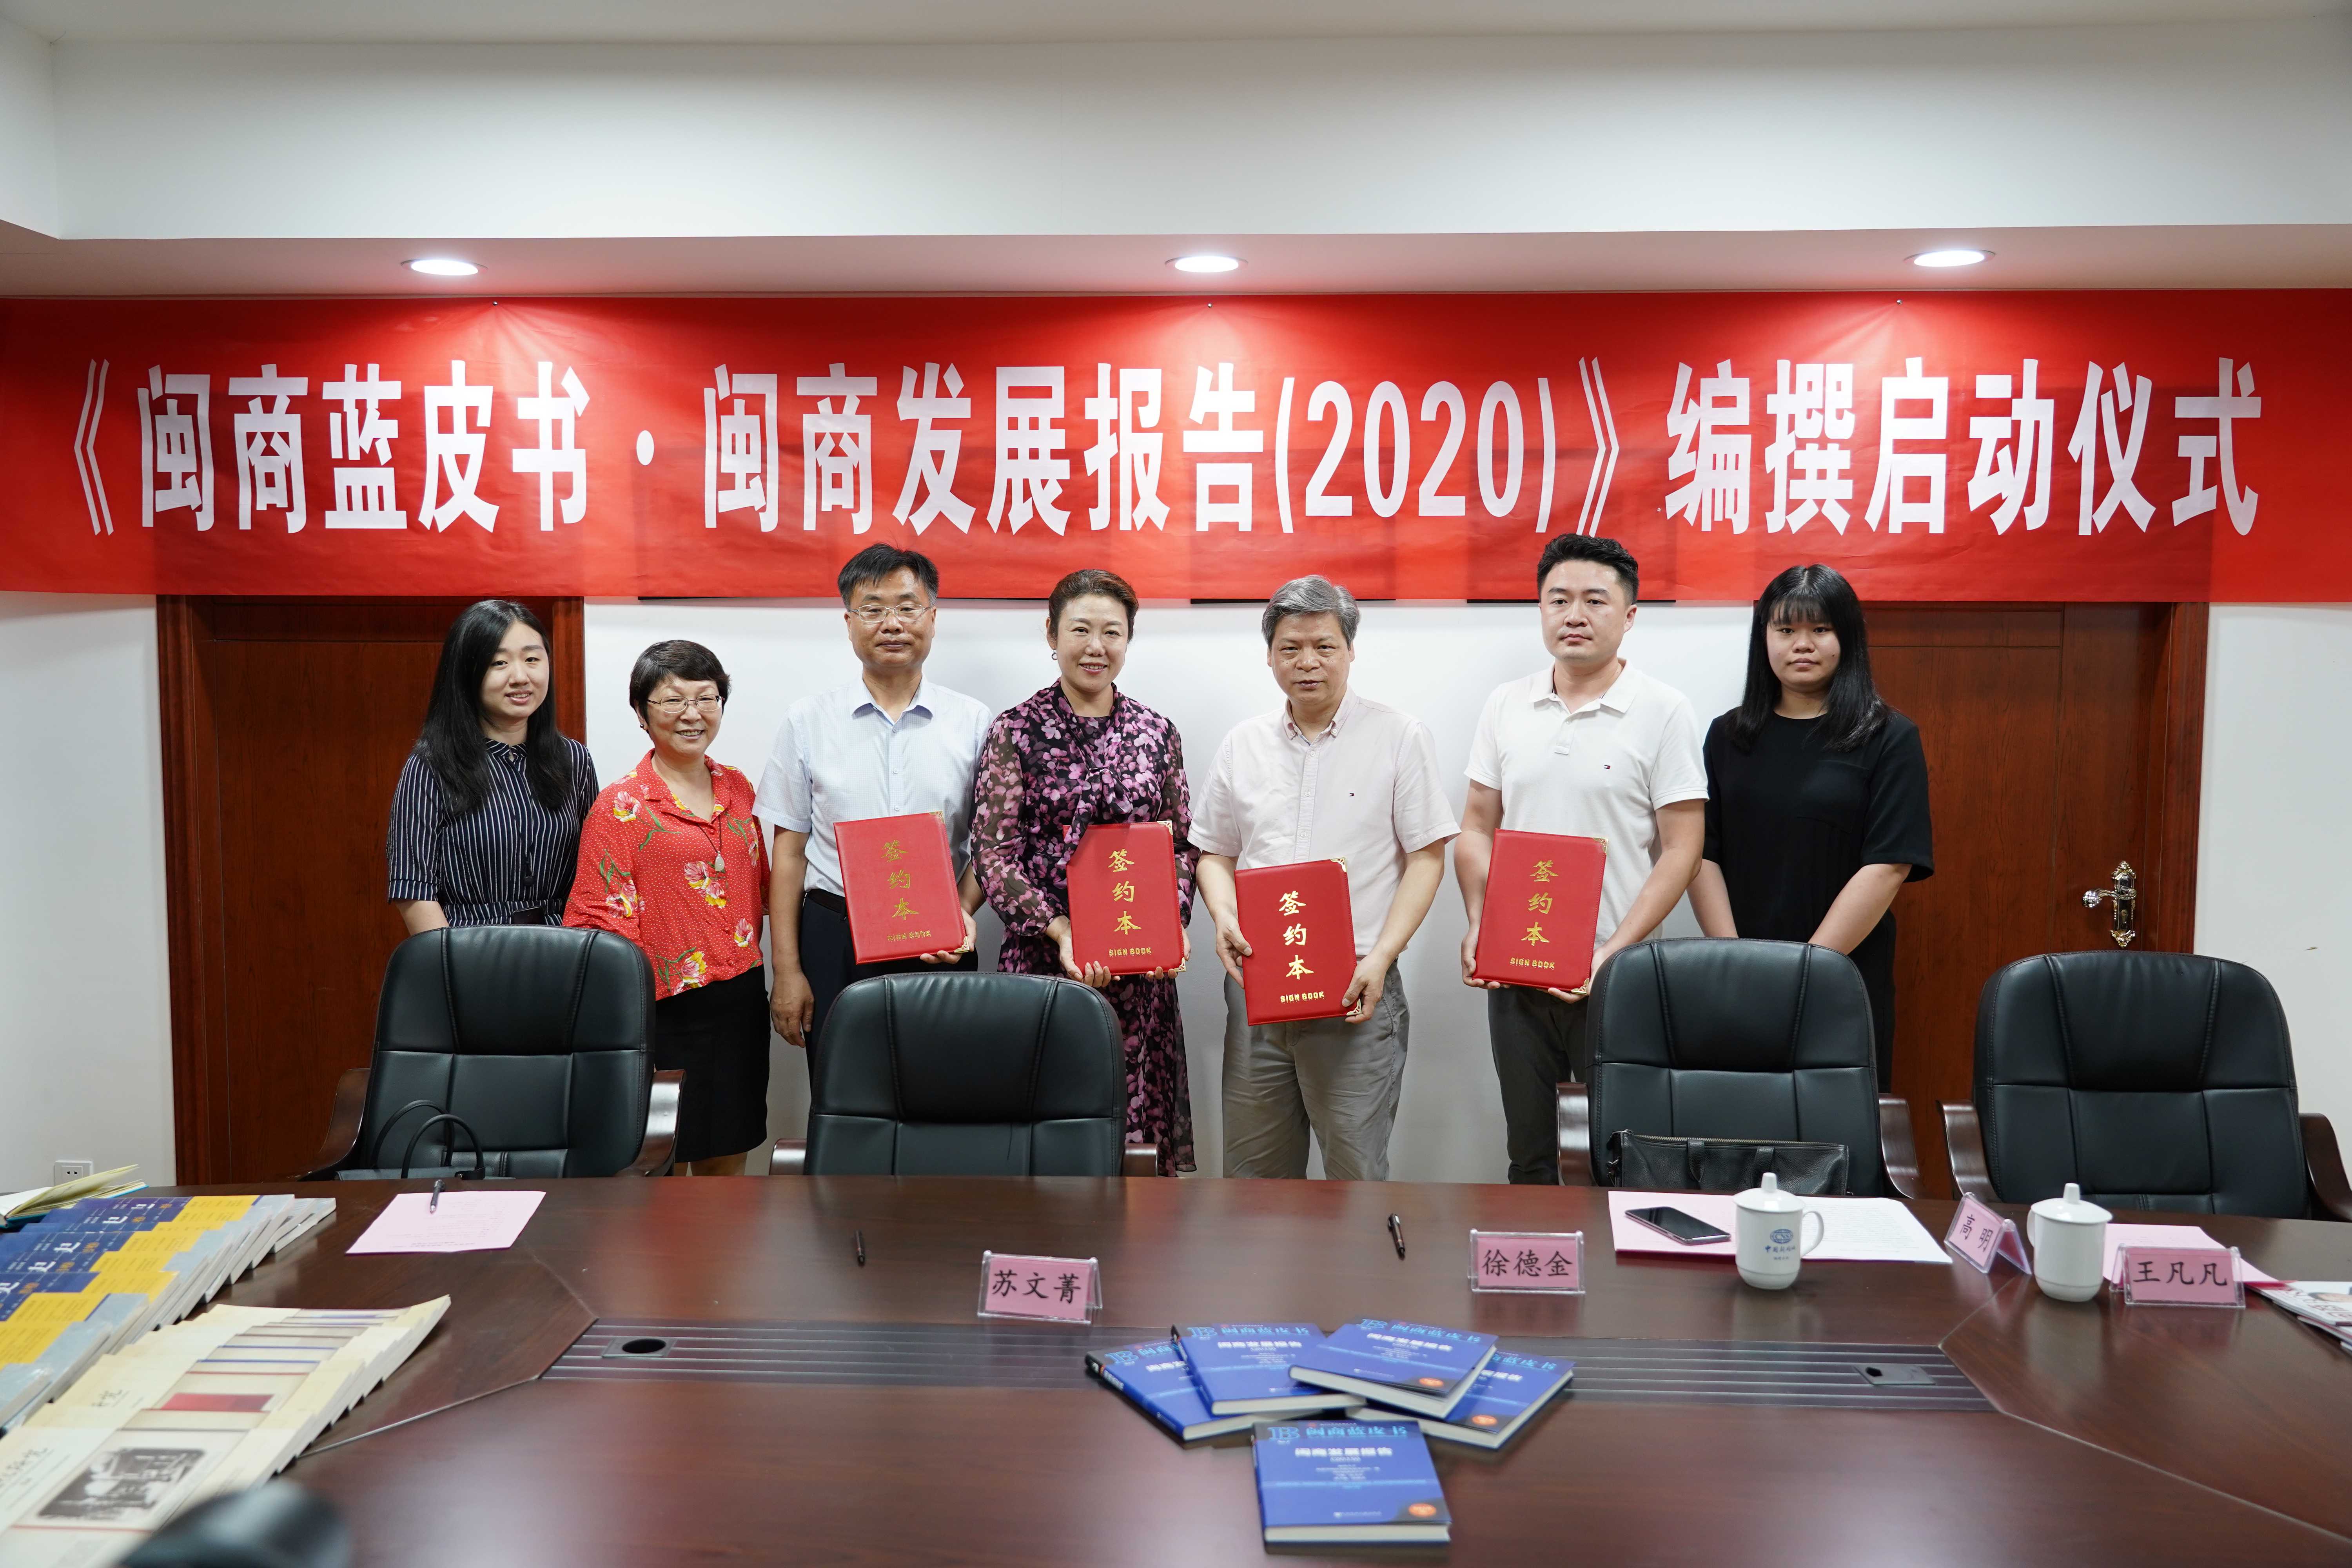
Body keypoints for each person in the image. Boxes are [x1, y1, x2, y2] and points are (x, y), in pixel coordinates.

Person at [1455, 535, 1708, 1184]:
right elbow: (1476, 826)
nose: (1575, 615)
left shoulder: (1663, 710)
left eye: (1595, 601)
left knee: (1619, 1158)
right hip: (1516, 974)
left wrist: (1614, 953)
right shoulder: (1506, 704)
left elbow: (1683, 849)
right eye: (1558, 600)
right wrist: (1480, 920)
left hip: (1616, 976)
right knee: (1531, 1155)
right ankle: (1534, 1256)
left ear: (1629, 615)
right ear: (1540, 609)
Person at [1194, 576, 1458, 1181]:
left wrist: (1383, 958)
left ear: (1350, 651)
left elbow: (1426, 858)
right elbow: (1214, 853)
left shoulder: (1399, 737)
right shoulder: (1243, 744)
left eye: (1324, 646)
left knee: (1354, 1179)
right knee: (1255, 1182)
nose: (1307, 662)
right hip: (1260, 987)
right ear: (1269, 656)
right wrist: (1224, 916)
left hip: (1355, 989)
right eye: (1290, 648)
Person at [971, 569, 1199, 1174]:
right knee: (1045, 1133)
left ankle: (1134, 1239)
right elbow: (993, 853)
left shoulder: (1157, 732)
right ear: (1051, 634)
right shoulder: (1015, 731)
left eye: (1112, 632)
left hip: (1140, 969)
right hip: (1045, 961)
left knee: (1134, 1144)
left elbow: (1181, 846)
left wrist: (1170, 925)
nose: (1096, 646)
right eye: (1080, 630)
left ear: (1128, 639)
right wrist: (1063, 931)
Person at [1690, 563, 1933, 1090]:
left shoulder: (1889, 737)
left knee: (1842, 1123)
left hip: (1843, 977)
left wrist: (1809, 971)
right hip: (1742, 977)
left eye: (1820, 629)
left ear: (1848, 638)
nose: (1803, 644)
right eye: (1786, 629)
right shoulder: (1727, 736)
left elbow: (1889, 864)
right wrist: (1735, 959)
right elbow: (1701, 854)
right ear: (1764, 638)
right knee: (1742, 1115)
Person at [758, 545, 989, 1058]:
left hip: (940, 939)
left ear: (932, 618)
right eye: (874, 609)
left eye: (907, 607)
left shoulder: (974, 722)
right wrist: (788, 969)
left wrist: (959, 911)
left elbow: (991, 846)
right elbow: (788, 854)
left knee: (941, 1087)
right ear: (849, 623)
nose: (892, 623)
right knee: (843, 1087)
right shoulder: (807, 721)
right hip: (834, 934)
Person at [566, 641, 770, 1176]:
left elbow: (759, 886)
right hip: (664, 1010)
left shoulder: (739, 787)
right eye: (673, 700)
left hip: (741, 1000)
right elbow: (598, 921)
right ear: (641, 713)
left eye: (707, 698)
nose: (692, 713)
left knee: (731, 1153)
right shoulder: (621, 805)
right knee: (663, 1162)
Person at [388, 599, 598, 934]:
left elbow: (596, 875)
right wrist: (453, 960)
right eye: (499, 663)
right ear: (467, 673)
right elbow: (414, 889)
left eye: (532, 659)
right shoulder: (431, 765)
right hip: (470, 946)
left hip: (564, 946)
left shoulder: (575, 760)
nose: (521, 677)